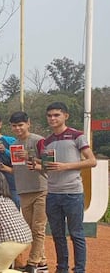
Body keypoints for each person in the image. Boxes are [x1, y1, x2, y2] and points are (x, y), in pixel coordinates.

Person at [41, 102, 96, 273]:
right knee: (57, 235)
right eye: (50, 115)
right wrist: (35, 164)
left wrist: (65, 166)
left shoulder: (76, 136)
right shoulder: (47, 141)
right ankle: (61, 268)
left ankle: (79, 270)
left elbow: (91, 161)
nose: (53, 118)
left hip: (72, 193)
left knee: (76, 234)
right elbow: (47, 167)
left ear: (66, 116)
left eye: (57, 115)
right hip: (53, 194)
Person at [9, 111, 49, 272]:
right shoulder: (14, 145)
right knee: (31, 229)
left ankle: (32, 263)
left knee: (38, 228)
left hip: (41, 189)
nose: (18, 128)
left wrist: (29, 156)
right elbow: (18, 169)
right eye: (14, 126)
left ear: (28, 123)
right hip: (24, 190)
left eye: (20, 125)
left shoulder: (38, 140)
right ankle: (42, 262)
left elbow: (49, 163)